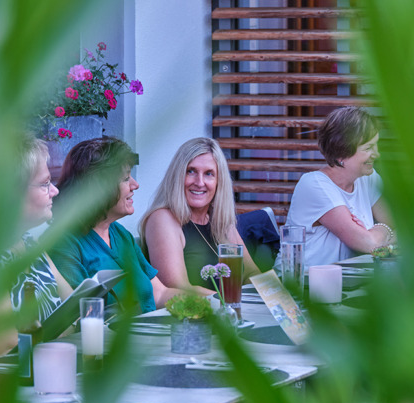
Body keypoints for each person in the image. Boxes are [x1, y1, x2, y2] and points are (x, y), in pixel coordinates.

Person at [48, 137, 182, 314]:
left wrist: (210, 303)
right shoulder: (64, 243)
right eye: (126, 178)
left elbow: (159, 294)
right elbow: (79, 315)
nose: (135, 185)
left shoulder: (120, 234)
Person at [0, 136, 73, 358]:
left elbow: (75, 310)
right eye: (45, 184)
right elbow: (6, 349)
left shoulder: (29, 246)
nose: (55, 191)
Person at [139, 138, 260, 294]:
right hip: (192, 316)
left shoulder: (219, 220)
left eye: (209, 174)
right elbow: (178, 287)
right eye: (191, 171)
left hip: (228, 314)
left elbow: (252, 273)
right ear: (178, 176)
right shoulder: (163, 218)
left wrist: (282, 300)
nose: (200, 182)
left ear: (219, 182)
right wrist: (230, 303)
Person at [281, 106, 395, 266]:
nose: (377, 154)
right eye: (368, 148)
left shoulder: (367, 178)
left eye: (376, 145)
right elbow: (369, 244)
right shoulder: (314, 185)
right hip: (301, 284)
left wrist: (376, 232)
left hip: (346, 282)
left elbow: (399, 226)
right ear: (342, 152)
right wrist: (383, 230)